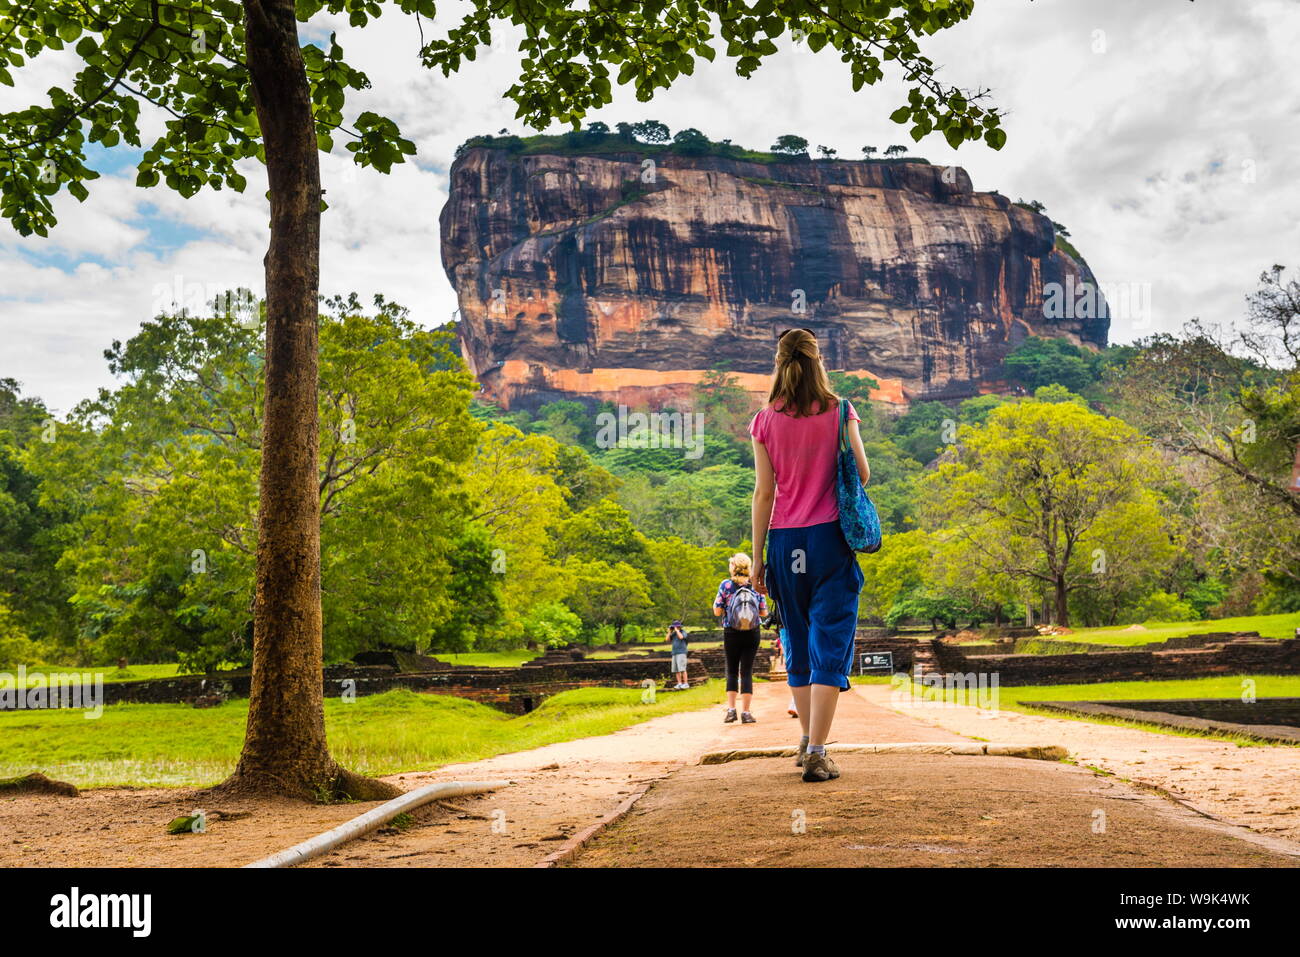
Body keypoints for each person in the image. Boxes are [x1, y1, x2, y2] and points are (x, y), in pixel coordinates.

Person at [750, 328, 870, 783]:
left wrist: (759, 559)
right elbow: (861, 471)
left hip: (784, 543)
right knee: (831, 640)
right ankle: (818, 750)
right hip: (829, 540)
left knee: (796, 640)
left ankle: (804, 740)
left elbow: (764, 493)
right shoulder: (841, 411)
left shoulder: (765, 420)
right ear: (819, 361)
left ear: (778, 363)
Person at [713, 552, 766, 723]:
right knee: (747, 672)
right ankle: (746, 712)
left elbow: (717, 610)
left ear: (733, 567)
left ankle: (731, 710)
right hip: (752, 632)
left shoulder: (726, 585)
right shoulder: (755, 585)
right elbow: (763, 612)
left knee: (732, 670)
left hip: (731, 632)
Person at [667, 619, 690, 690]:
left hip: (681, 652)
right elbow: (667, 639)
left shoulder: (683, 632)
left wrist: (677, 630)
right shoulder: (673, 634)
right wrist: (669, 632)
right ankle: (679, 683)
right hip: (674, 652)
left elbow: (681, 637)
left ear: (679, 627)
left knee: (682, 669)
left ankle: (685, 683)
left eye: (675, 627)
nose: (674, 628)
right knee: (676, 669)